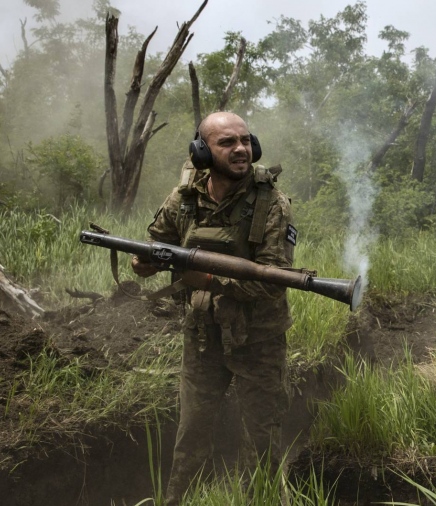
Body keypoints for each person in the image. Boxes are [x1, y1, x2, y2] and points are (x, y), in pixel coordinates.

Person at [132, 112, 296, 505]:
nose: (241, 149)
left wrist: (206, 280)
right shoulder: (184, 198)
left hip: (258, 338)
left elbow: (273, 281)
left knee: (262, 439)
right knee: (191, 435)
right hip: (203, 334)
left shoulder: (271, 203)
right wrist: (146, 264)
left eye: (245, 140)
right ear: (203, 151)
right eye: (227, 143)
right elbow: (155, 243)